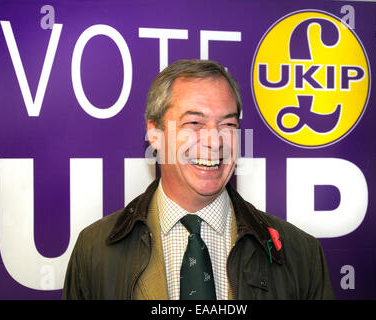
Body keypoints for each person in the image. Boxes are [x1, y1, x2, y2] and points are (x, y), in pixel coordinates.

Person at [62, 59, 335, 300]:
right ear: (155, 134)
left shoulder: (300, 255)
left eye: (228, 124)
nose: (214, 141)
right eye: (194, 123)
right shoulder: (95, 251)